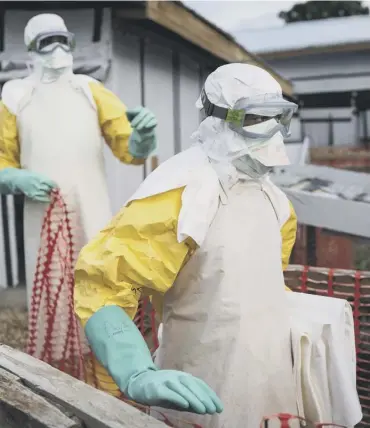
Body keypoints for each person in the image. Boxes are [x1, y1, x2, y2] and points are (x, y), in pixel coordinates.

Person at [74, 63, 299, 427]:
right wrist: (135, 370)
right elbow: (102, 285)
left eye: (277, 117)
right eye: (255, 118)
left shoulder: (275, 202)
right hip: (197, 381)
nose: (270, 132)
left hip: (271, 379)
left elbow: (264, 285)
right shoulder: (180, 194)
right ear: (217, 119)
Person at [0, 13, 157, 305]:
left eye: (64, 40)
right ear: (31, 49)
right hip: (44, 212)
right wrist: (12, 177)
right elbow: (2, 157)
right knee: (52, 289)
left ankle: (96, 348)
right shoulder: (15, 96)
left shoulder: (91, 90)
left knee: (97, 280)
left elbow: (128, 147)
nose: (58, 49)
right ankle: (56, 351)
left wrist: (142, 138)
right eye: (47, 42)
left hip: (92, 206)